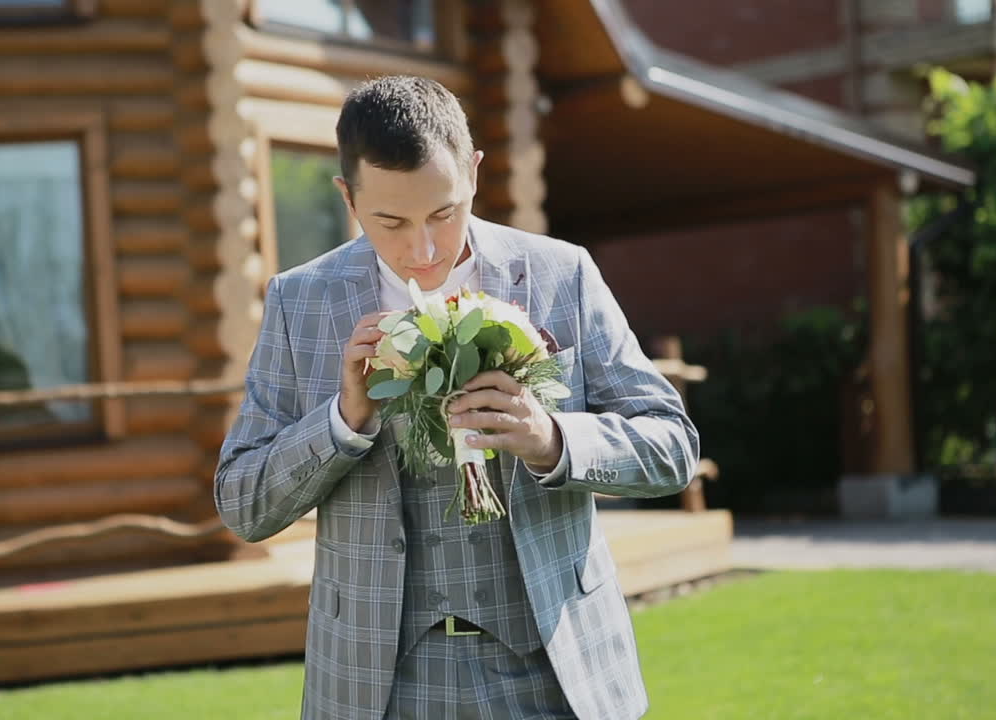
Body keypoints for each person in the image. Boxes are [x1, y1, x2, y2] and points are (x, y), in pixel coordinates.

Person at [215, 75, 698, 720]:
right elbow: (242, 503)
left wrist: (552, 439)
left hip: (555, 671)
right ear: (347, 197)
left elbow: (672, 446)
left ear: (473, 172)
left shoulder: (562, 273)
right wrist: (341, 422)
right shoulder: (298, 301)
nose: (422, 250)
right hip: (378, 685)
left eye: (444, 213)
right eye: (390, 220)